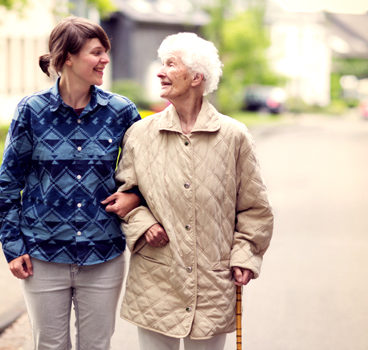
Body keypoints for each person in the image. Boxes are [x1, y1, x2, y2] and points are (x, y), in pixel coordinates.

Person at [104, 32, 274, 350]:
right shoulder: (140, 134)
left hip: (213, 283)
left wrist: (245, 256)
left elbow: (254, 208)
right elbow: (123, 197)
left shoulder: (234, 136)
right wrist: (144, 224)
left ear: (197, 77)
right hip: (156, 282)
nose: (160, 71)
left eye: (171, 64)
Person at [0, 16, 141, 350]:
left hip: (103, 253)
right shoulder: (31, 111)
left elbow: (145, 174)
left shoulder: (121, 112)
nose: (105, 59)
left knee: (96, 345)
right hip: (42, 255)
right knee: (49, 345)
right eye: (96, 52)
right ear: (67, 58)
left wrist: (134, 197)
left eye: (106, 51)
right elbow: (8, 182)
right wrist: (12, 245)